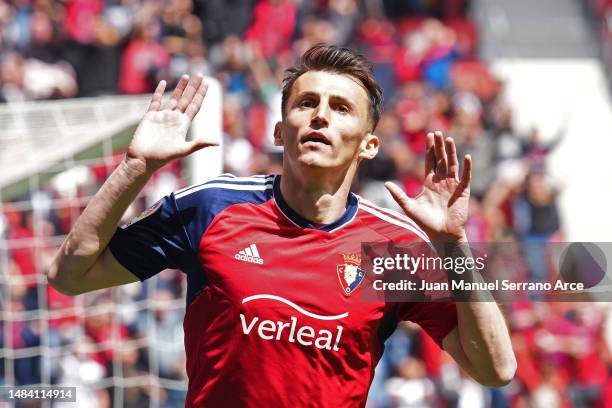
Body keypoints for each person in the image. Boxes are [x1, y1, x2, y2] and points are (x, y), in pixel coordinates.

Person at [47, 44, 516, 407]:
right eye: (306, 102)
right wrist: (135, 168)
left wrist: (453, 245)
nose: (320, 116)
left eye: (340, 108)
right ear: (279, 131)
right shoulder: (211, 208)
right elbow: (70, 276)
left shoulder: (393, 248)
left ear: (369, 146)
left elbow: (496, 369)